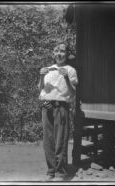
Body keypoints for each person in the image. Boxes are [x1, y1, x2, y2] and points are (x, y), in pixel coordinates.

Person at [38, 42, 78, 181]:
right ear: (53, 54)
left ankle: (61, 172)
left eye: (62, 51)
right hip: (46, 105)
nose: (59, 54)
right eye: (56, 51)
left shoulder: (71, 70)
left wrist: (66, 77)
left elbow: (73, 92)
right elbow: (41, 89)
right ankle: (51, 170)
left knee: (61, 140)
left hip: (61, 107)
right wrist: (41, 76)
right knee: (48, 141)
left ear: (67, 54)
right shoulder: (47, 69)